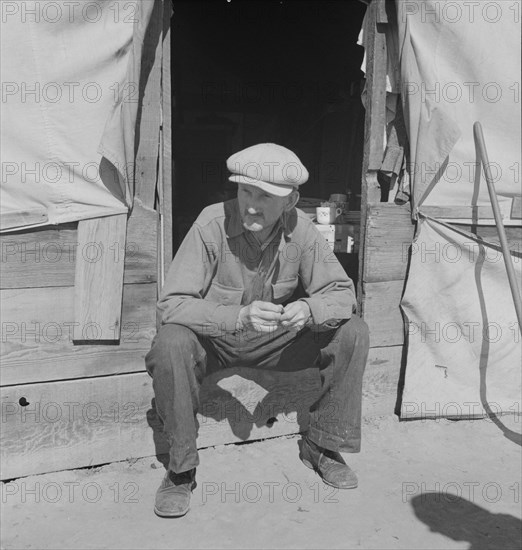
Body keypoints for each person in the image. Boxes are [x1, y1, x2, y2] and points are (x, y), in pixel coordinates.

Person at [146, 143, 370, 517]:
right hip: (214, 342)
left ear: (291, 200)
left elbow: (343, 294)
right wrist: (239, 316)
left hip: (274, 343)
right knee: (170, 343)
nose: (251, 204)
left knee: (353, 332)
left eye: (265, 196)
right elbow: (172, 304)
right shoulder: (210, 224)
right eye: (245, 191)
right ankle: (181, 468)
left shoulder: (302, 229)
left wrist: (308, 308)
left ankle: (322, 444)